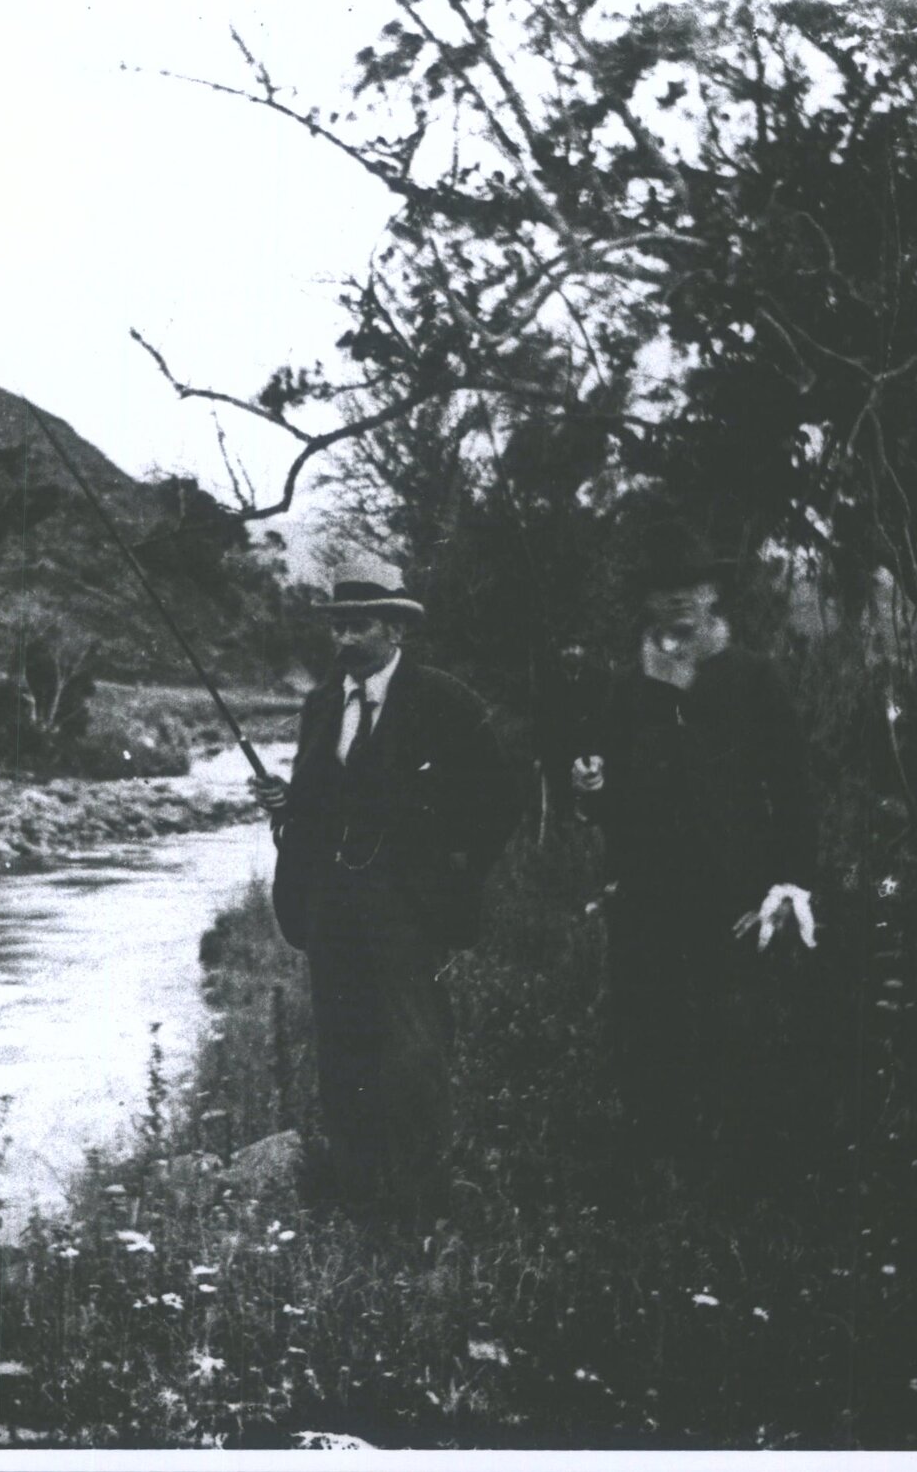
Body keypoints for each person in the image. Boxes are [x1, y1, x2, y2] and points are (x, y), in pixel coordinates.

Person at [253, 552, 519, 1224]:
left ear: (394, 631)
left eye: (358, 626)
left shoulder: (443, 701)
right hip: (331, 904)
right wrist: (286, 802)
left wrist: (454, 881)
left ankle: (419, 1200)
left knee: (412, 1050)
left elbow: (497, 801)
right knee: (343, 1045)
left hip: (407, 906)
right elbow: (314, 804)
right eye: (337, 626)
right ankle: (356, 1192)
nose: (343, 639)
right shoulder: (320, 706)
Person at [568, 522, 832, 1191]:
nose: (680, 601)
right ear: (648, 603)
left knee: (732, 1028)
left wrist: (788, 886)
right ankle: (657, 1168)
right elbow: (603, 798)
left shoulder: (751, 678)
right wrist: (590, 788)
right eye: (665, 592)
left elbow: (794, 789)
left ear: (713, 595)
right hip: (646, 894)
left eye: (692, 587)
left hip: (734, 892)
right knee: (647, 1030)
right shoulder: (626, 689)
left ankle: (738, 1176)